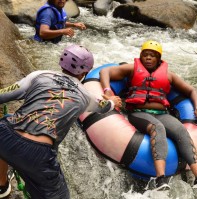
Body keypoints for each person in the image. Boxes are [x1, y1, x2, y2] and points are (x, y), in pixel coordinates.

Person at [0, 44, 122, 198]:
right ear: (85, 72)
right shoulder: (86, 95)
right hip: (38, 153)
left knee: (6, 123)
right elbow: (104, 107)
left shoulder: (39, 75)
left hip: (4, 136)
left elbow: (3, 95)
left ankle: (1, 184)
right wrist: (113, 101)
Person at [100, 40, 197, 190]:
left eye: (152, 56)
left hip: (161, 113)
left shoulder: (169, 75)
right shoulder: (132, 68)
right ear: (141, 56)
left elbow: (191, 90)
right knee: (157, 127)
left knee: (181, 130)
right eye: (145, 55)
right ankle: (161, 178)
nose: (148, 58)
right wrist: (107, 91)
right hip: (138, 113)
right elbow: (104, 72)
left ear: (158, 59)